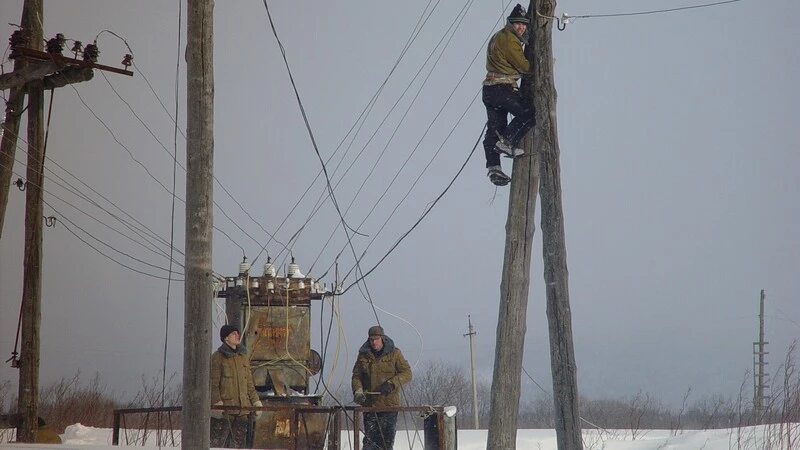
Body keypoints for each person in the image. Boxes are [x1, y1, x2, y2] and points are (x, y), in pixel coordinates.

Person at [482, 3, 535, 186]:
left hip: (489, 89)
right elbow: (525, 66)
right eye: (518, 23)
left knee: (494, 128)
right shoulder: (510, 39)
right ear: (510, 24)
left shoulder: (499, 36)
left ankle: (494, 168)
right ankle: (508, 142)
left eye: (524, 24)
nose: (521, 27)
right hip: (502, 88)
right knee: (529, 113)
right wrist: (543, 65)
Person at [352, 325, 412, 450]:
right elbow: (356, 376)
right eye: (371, 339)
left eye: (376, 339)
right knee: (370, 441)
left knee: (386, 441)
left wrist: (392, 383)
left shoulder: (394, 353)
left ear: (382, 339)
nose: (374, 342)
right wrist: (358, 390)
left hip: (389, 405)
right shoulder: (363, 355)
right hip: (370, 405)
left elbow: (407, 373)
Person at [210, 324, 263, 448]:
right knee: (217, 446)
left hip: (243, 412)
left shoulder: (243, 358)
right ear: (225, 338)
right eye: (233, 334)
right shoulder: (217, 358)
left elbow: (249, 383)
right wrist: (216, 404)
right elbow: (212, 384)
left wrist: (256, 402)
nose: (237, 335)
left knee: (238, 446)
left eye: (237, 333)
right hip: (225, 413)